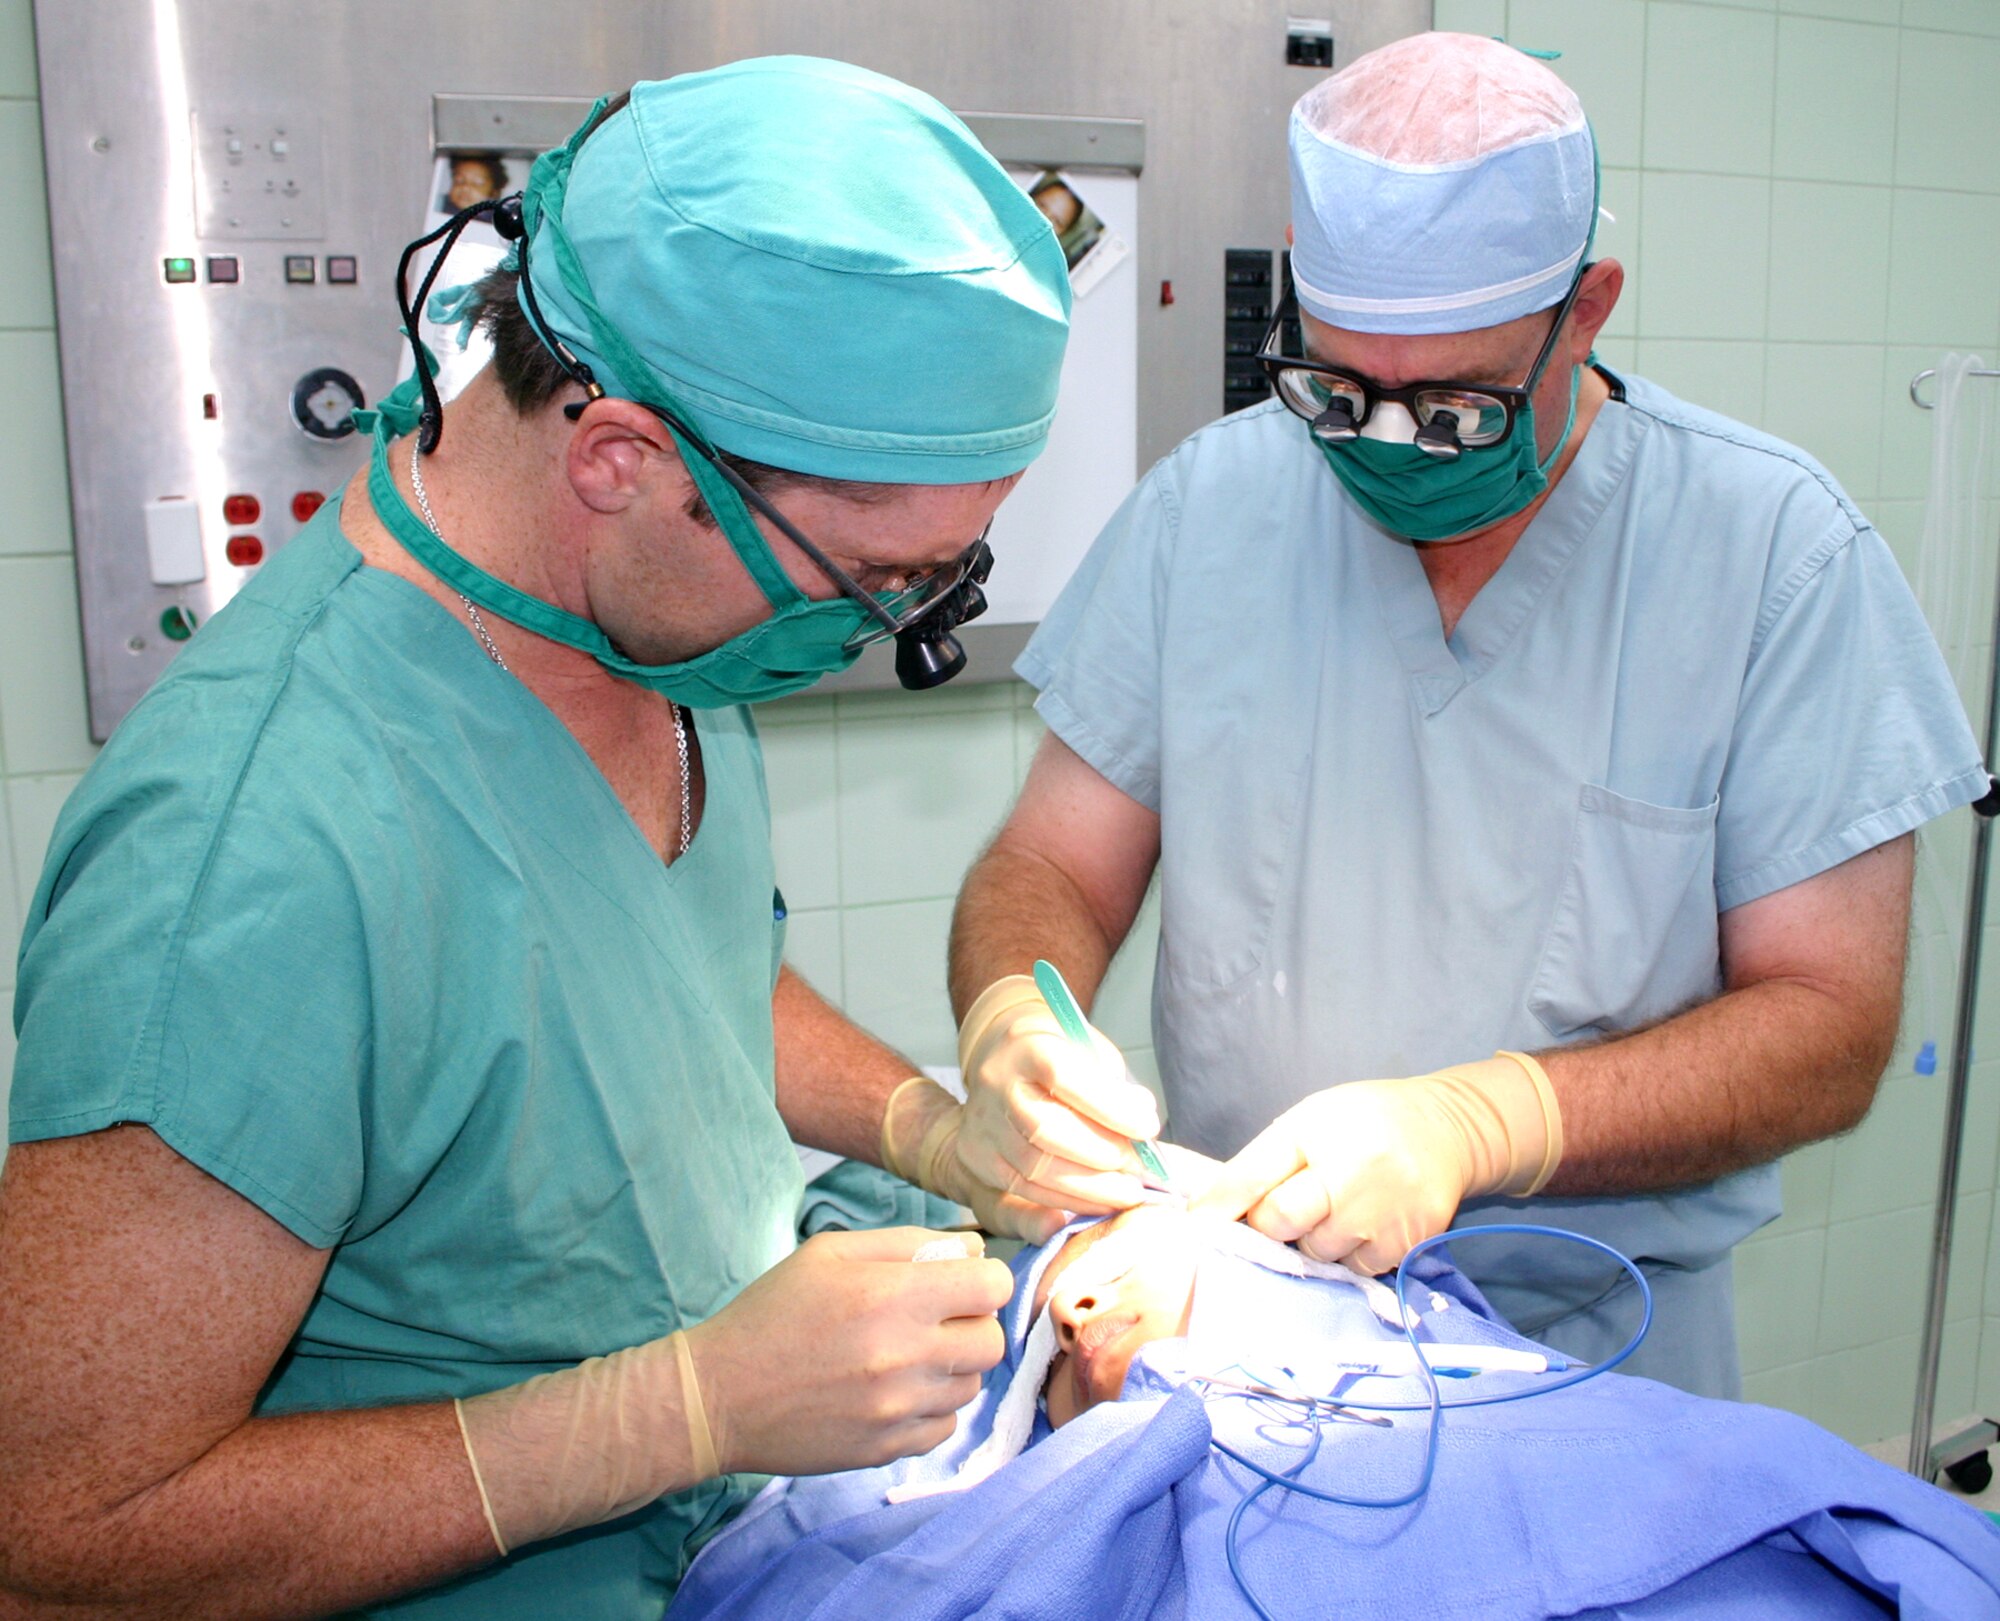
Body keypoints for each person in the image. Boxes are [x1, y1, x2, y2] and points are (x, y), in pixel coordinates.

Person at [0, 59, 1071, 1618]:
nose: (876, 628)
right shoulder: (251, 862)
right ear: (622, 458)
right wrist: (675, 1411)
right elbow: (60, 1533)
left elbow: (658, 979)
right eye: (874, 582)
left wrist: (928, 1124)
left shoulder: (659, 629)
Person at [941, 31, 1987, 1398]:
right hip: (1245, 1330)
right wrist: (1017, 1024)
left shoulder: (1773, 559)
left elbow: (1829, 1027)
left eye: (1451, 407)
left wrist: (1489, 1119)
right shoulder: (1212, 509)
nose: (1382, 442)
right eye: (1337, 387)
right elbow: (1050, 865)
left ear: (1588, 308)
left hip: (1603, 1354)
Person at [667, 1208, 2000, 1619]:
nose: (1088, 1300)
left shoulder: (1412, 1333)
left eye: (1133, 1243)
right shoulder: (931, 1489)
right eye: (1063, 1306)